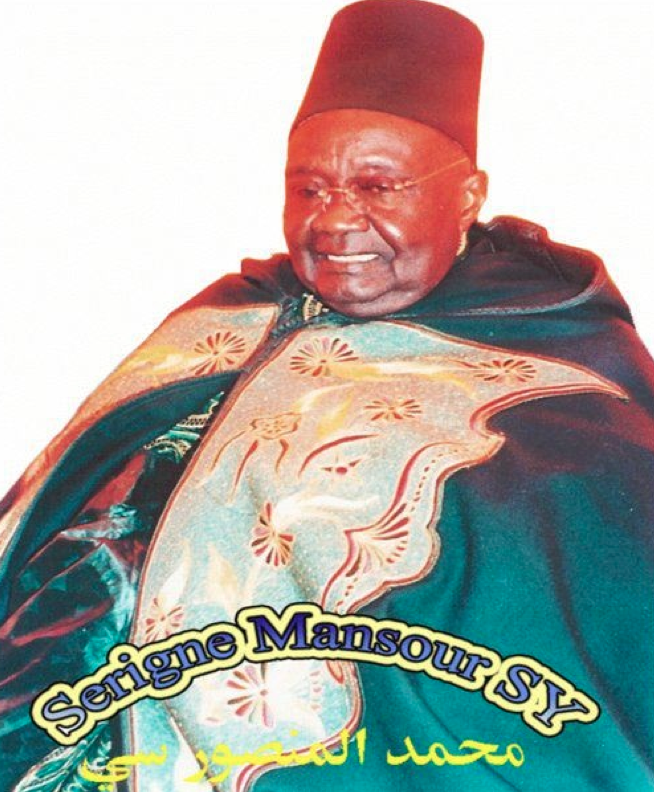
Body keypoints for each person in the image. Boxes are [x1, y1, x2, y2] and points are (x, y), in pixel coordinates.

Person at [1, 1, 653, 790]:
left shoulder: (565, 389)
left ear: (468, 196)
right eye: (309, 188)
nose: (335, 220)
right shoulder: (234, 312)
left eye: (378, 186)